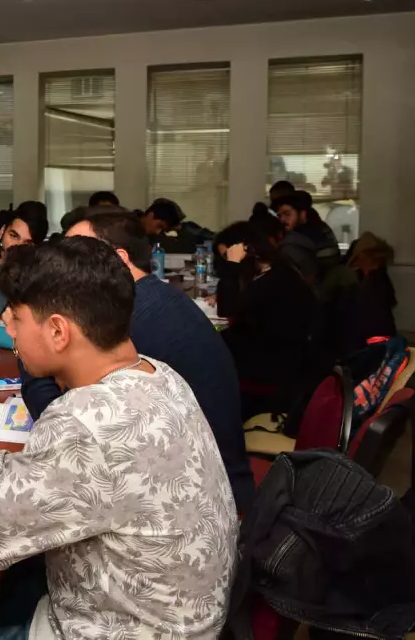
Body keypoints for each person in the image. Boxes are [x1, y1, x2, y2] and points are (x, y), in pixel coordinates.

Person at [0, 238, 236, 640]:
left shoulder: (84, 422)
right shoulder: (158, 374)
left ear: (58, 330)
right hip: (176, 620)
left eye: (17, 318)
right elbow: (69, 476)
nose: (9, 329)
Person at [64, 210, 255, 512]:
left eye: (76, 255)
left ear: (118, 260)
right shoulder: (152, 298)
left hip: (203, 502)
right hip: (197, 480)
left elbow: (74, 425)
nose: (63, 268)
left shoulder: (135, 321)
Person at [214, 220, 318, 416]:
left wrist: (231, 266)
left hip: (270, 371)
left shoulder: (275, 280)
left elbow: (227, 308)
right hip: (276, 358)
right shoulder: (277, 272)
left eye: (228, 257)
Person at [273, 190, 341, 271]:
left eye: (287, 214)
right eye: (279, 216)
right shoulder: (320, 225)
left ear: (302, 214)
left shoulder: (304, 235)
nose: (282, 220)